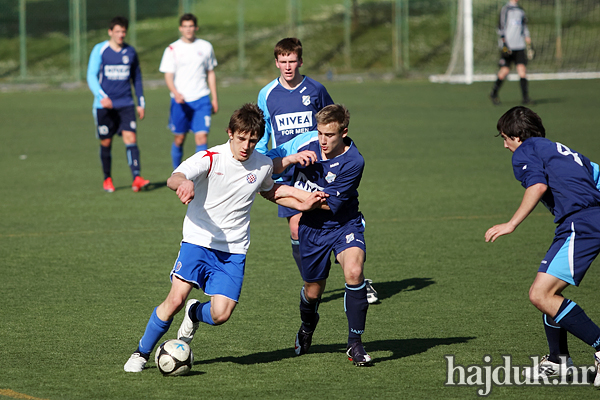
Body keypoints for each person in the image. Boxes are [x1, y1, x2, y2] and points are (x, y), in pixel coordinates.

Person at [123, 103, 327, 372]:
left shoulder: (262, 164)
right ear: (230, 132)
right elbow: (176, 177)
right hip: (198, 241)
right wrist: (183, 183)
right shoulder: (210, 157)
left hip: (233, 250)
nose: (246, 146)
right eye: (241, 138)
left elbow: (270, 190)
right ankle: (141, 353)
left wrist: (303, 202)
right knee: (174, 301)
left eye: (252, 141)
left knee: (221, 314)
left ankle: (195, 313)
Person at [257, 37, 378, 304]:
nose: (288, 67)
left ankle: (356, 276)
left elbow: (334, 118)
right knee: (296, 228)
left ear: (300, 61)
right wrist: (269, 162)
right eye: (283, 61)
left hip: (322, 166)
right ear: (276, 62)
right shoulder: (266, 94)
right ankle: (312, 282)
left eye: (292, 61)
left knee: (332, 216)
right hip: (289, 168)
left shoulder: (315, 89)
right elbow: (265, 135)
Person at [485, 106, 600, 384]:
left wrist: (510, 224)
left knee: (540, 294)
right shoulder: (563, 150)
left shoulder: (526, 151)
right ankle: (558, 359)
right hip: (587, 220)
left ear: (518, 136)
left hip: (580, 224)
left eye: (505, 138)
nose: (505, 145)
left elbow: (537, 187)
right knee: (548, 292)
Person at [267, 104, 372, 366]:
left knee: (354, 272)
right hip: (312, 229)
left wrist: (298, 199)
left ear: (344, 132)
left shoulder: (353, 162)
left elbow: (328, 204)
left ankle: (354, 344)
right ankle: (307, 325)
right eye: (320, 133)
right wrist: (291, 159)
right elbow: (267, 165)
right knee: (313, 292)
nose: (323, 141)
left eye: (330, 135)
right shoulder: (307, 142)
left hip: (344, 224)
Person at [87, 16, 149, 193]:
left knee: (131, 139)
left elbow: (136, 78)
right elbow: (91, 76)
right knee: (106, 142)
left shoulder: (130, 52)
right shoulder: (100, 50)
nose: (121, 35)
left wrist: (141, 102)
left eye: (123, 31)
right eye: (117, 31)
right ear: (110, 32)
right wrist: (101, 96)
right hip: (104, 106)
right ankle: (107, 179)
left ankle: (136, 177)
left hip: (126, 103)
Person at [159, 13, 219, 169]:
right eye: (185, 26)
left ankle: (200, 176)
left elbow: (210, 72)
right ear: (180, 28)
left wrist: (214, 98)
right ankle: (177, 173)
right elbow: (168, 75)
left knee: (201, 137)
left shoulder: (206, 46)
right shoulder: (172, 48)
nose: (188, 29)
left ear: (196, 27)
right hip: (181, 101)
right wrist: (175, 92)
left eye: (191, 26)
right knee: (179, 138)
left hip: (202, 98)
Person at [489, 0, 533, 106]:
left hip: (520, 46)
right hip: (508, 46)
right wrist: (503, 43)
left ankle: (525, 97)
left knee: (522, 70)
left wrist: (528, 39)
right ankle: (494, 93)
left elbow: (524, 27)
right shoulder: (505, 10)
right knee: (504, 70)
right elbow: (500, 27)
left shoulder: (521, 10)